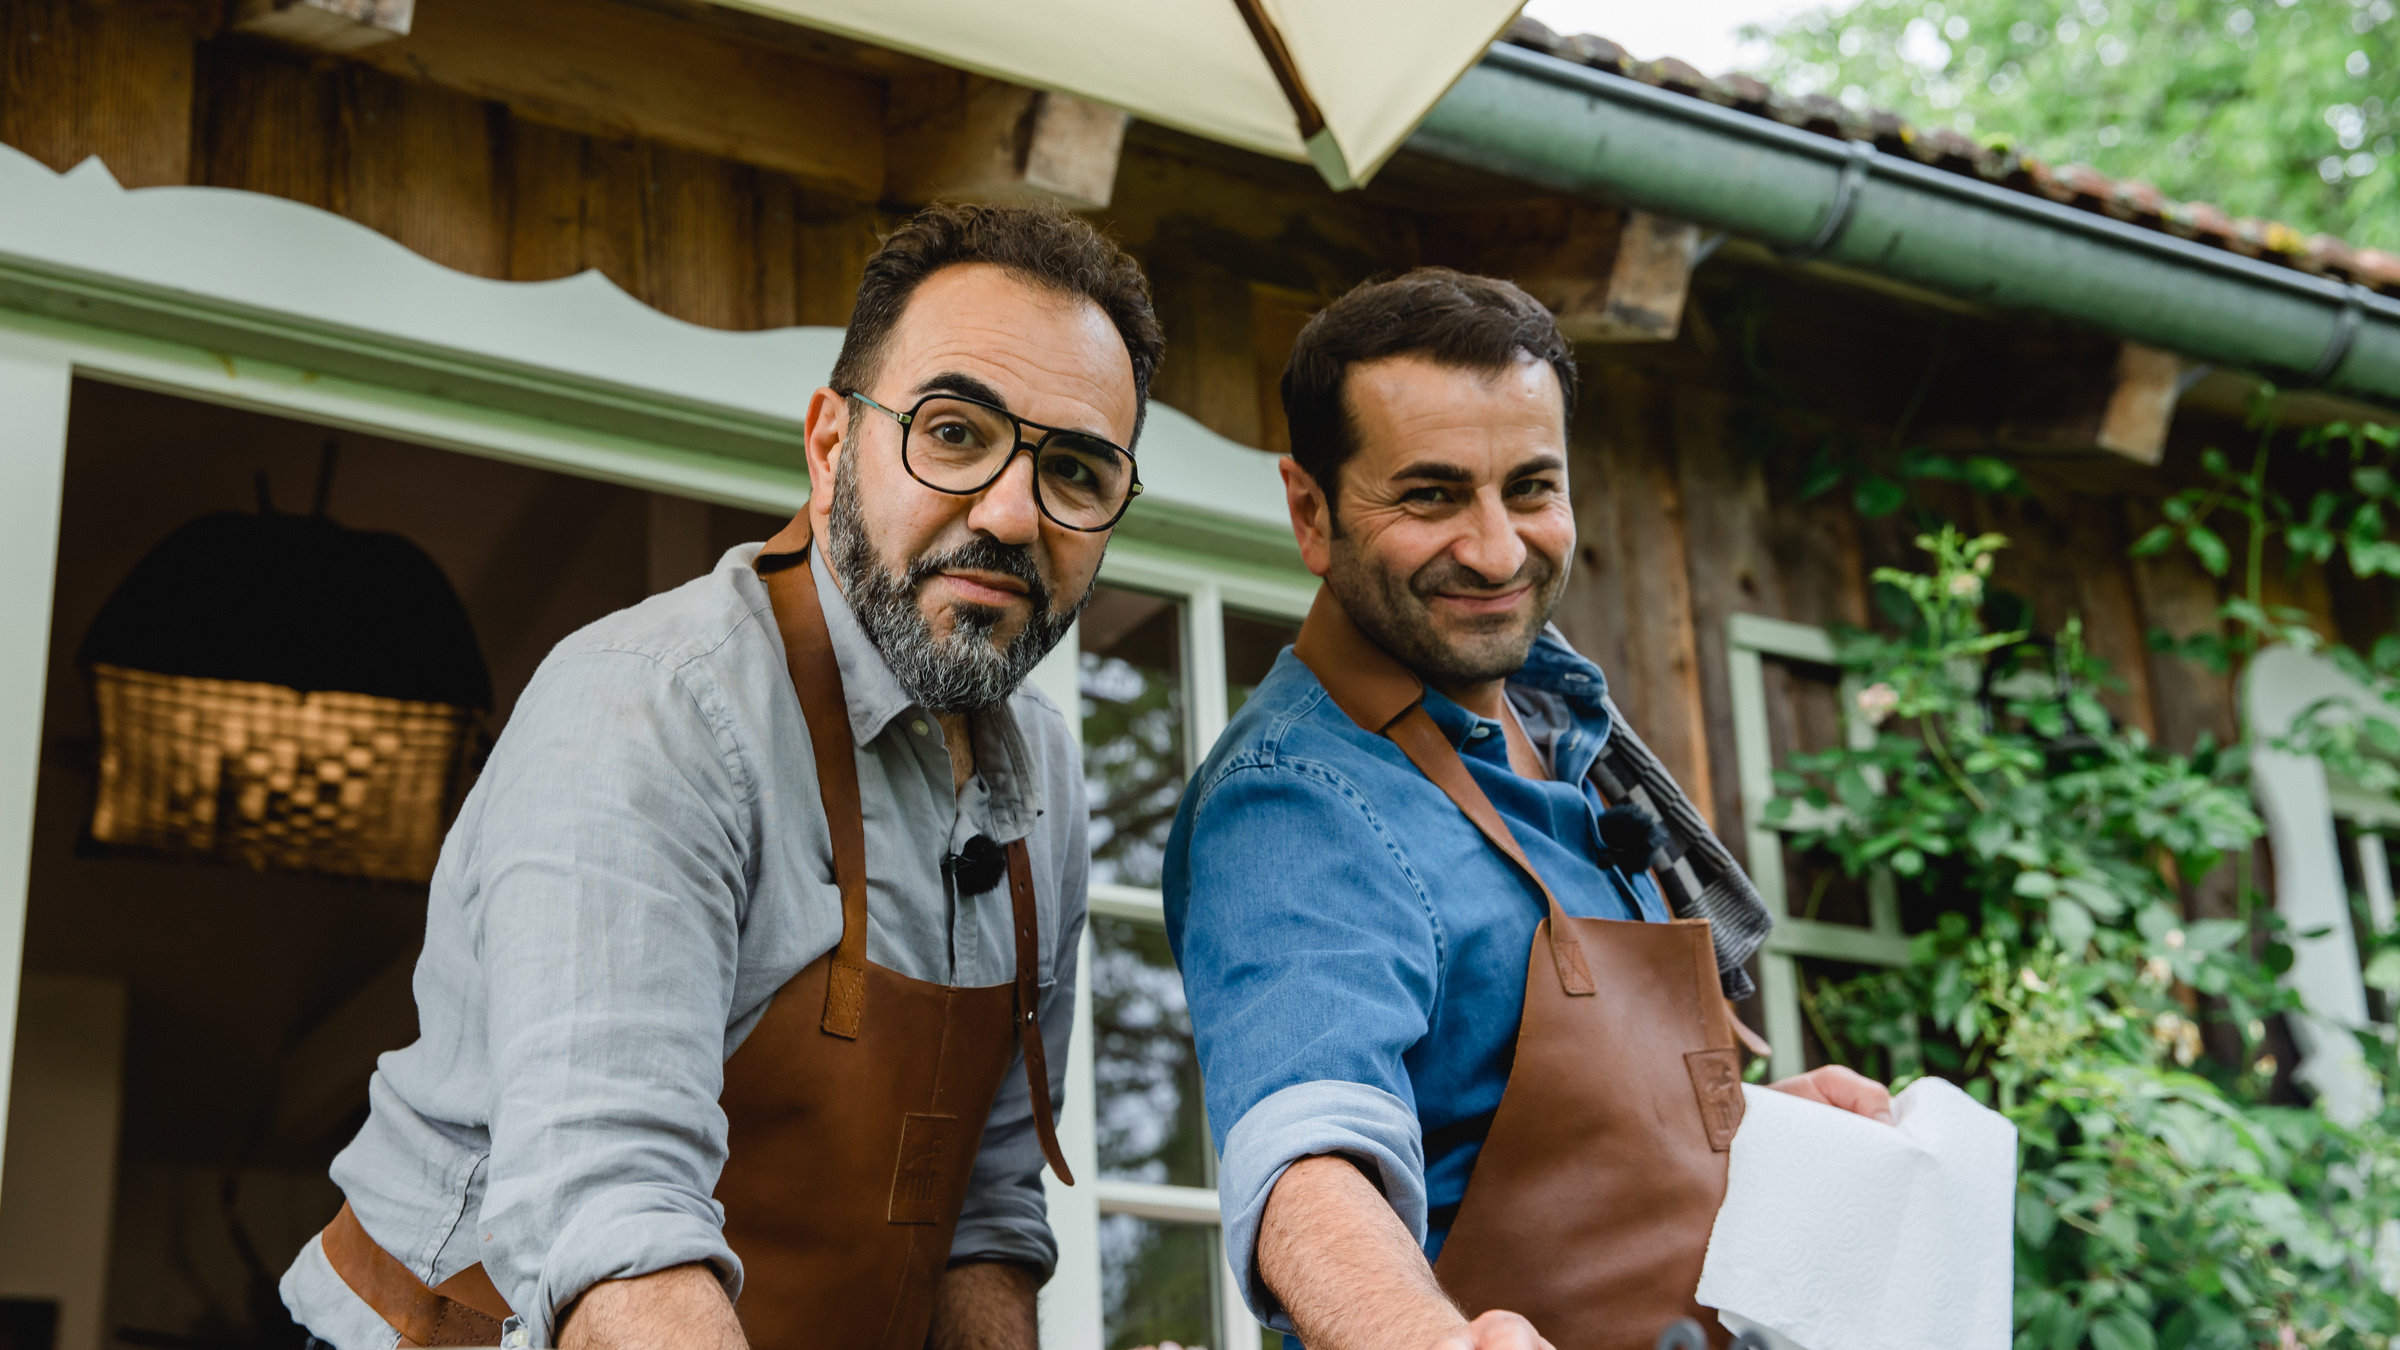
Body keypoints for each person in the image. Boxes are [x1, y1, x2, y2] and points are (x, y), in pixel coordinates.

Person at [279, 203, 1164, 1350]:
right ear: (832, 443)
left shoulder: (1038, 758)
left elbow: (983, 1213)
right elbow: (617, 1239)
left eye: (1078, 471)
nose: (1010, 512)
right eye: (954, 432)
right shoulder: (650, 703)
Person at [1162, 269, 1892, 1350]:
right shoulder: (1295, 799)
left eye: (1532, 489)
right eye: (1431, 495)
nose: (1498, 550)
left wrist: (1771, 1137)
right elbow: (1308, 1154)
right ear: (1312, 513)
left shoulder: (1573, 736)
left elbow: (1573, 1136)